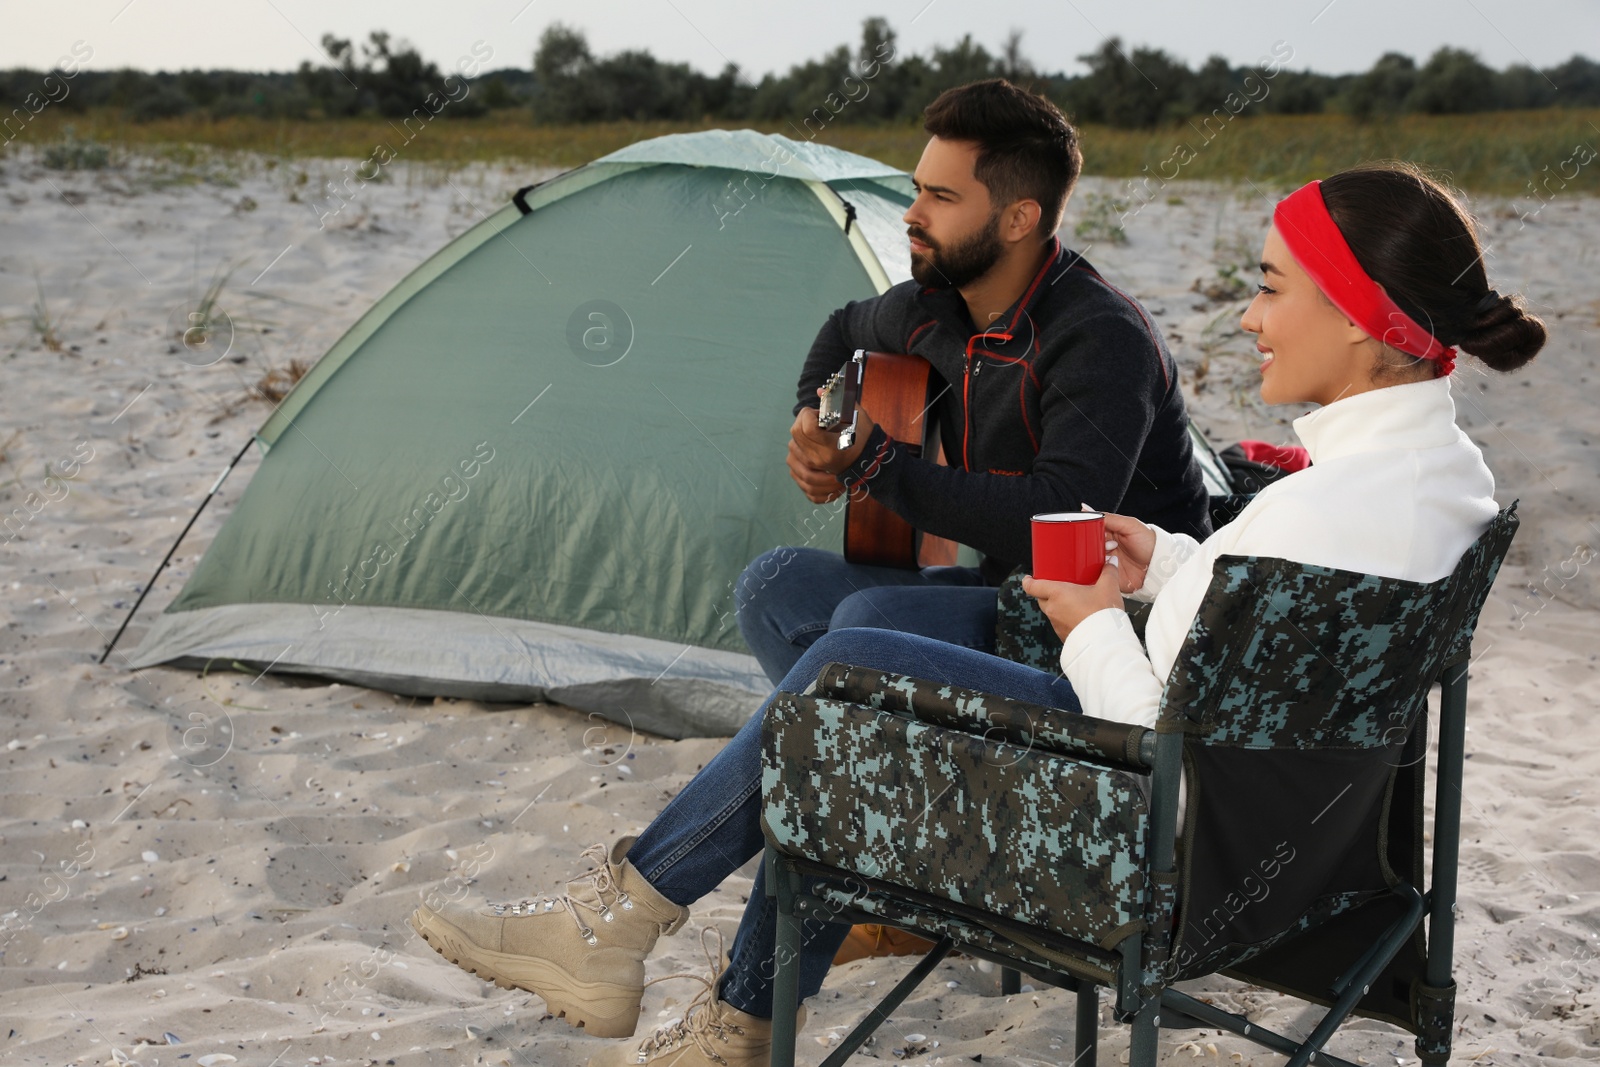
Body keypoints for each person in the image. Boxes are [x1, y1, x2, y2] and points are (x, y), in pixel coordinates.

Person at [411, 163, 1544, 1067]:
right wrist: (1162, 561)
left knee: (842, 668)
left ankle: (655, 936)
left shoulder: (1320, 503)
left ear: (1355, 316)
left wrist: (1090, 616)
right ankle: (755, 946)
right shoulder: (1433, 478)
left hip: (1137, 837)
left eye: (1267, 285)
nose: (1246, 316)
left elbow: (1168, 745)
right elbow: (1267, 633)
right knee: (799, 602)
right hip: (1264, 821)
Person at [735, 78, 1211, 686]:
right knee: (775, 584)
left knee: (867, 619)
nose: (912, 213)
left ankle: (841, 745)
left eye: (940, 197)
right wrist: (820, 431)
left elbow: (1061, 516)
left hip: (1117, 625)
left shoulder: (1101, 337)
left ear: (1018, 219)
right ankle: (848, 750)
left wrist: (876, 463)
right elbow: (841, 329)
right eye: (916, 190)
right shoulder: (934, 303)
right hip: (999, 589)